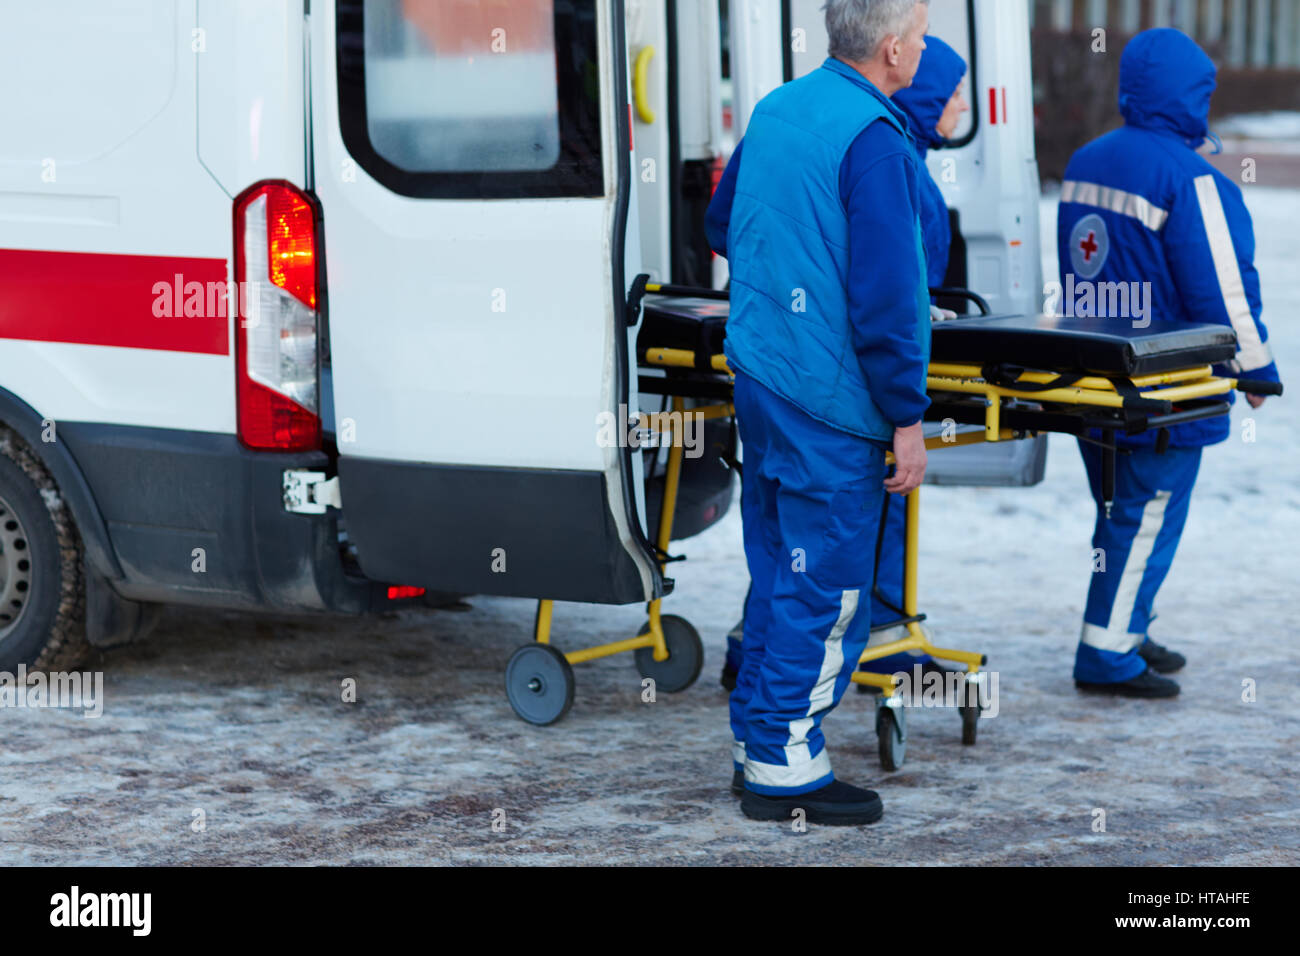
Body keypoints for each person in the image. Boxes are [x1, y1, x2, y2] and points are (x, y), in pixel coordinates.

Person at [704, 0, 931, 825]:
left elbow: (722, 225)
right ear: (894, 47)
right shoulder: (876, 140)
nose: (926, 44)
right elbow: (888, 297)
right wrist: (908, 415)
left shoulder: (777, 109)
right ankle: (784, 766)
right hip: (833, 405)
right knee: (829, 587)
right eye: (924, 31)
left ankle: (756, 742)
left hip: (763, 380)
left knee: (778, 572)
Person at [1057, 28, 1281, 698]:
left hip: (1090, 375)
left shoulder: (1087, 160)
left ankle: (1127, 624)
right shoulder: (1192, 180)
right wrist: (1255, 368)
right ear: (1190, 96)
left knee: (1117, 509)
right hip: (1165, 386)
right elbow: (1224, 288)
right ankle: (1107, 654)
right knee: (1145, 512)